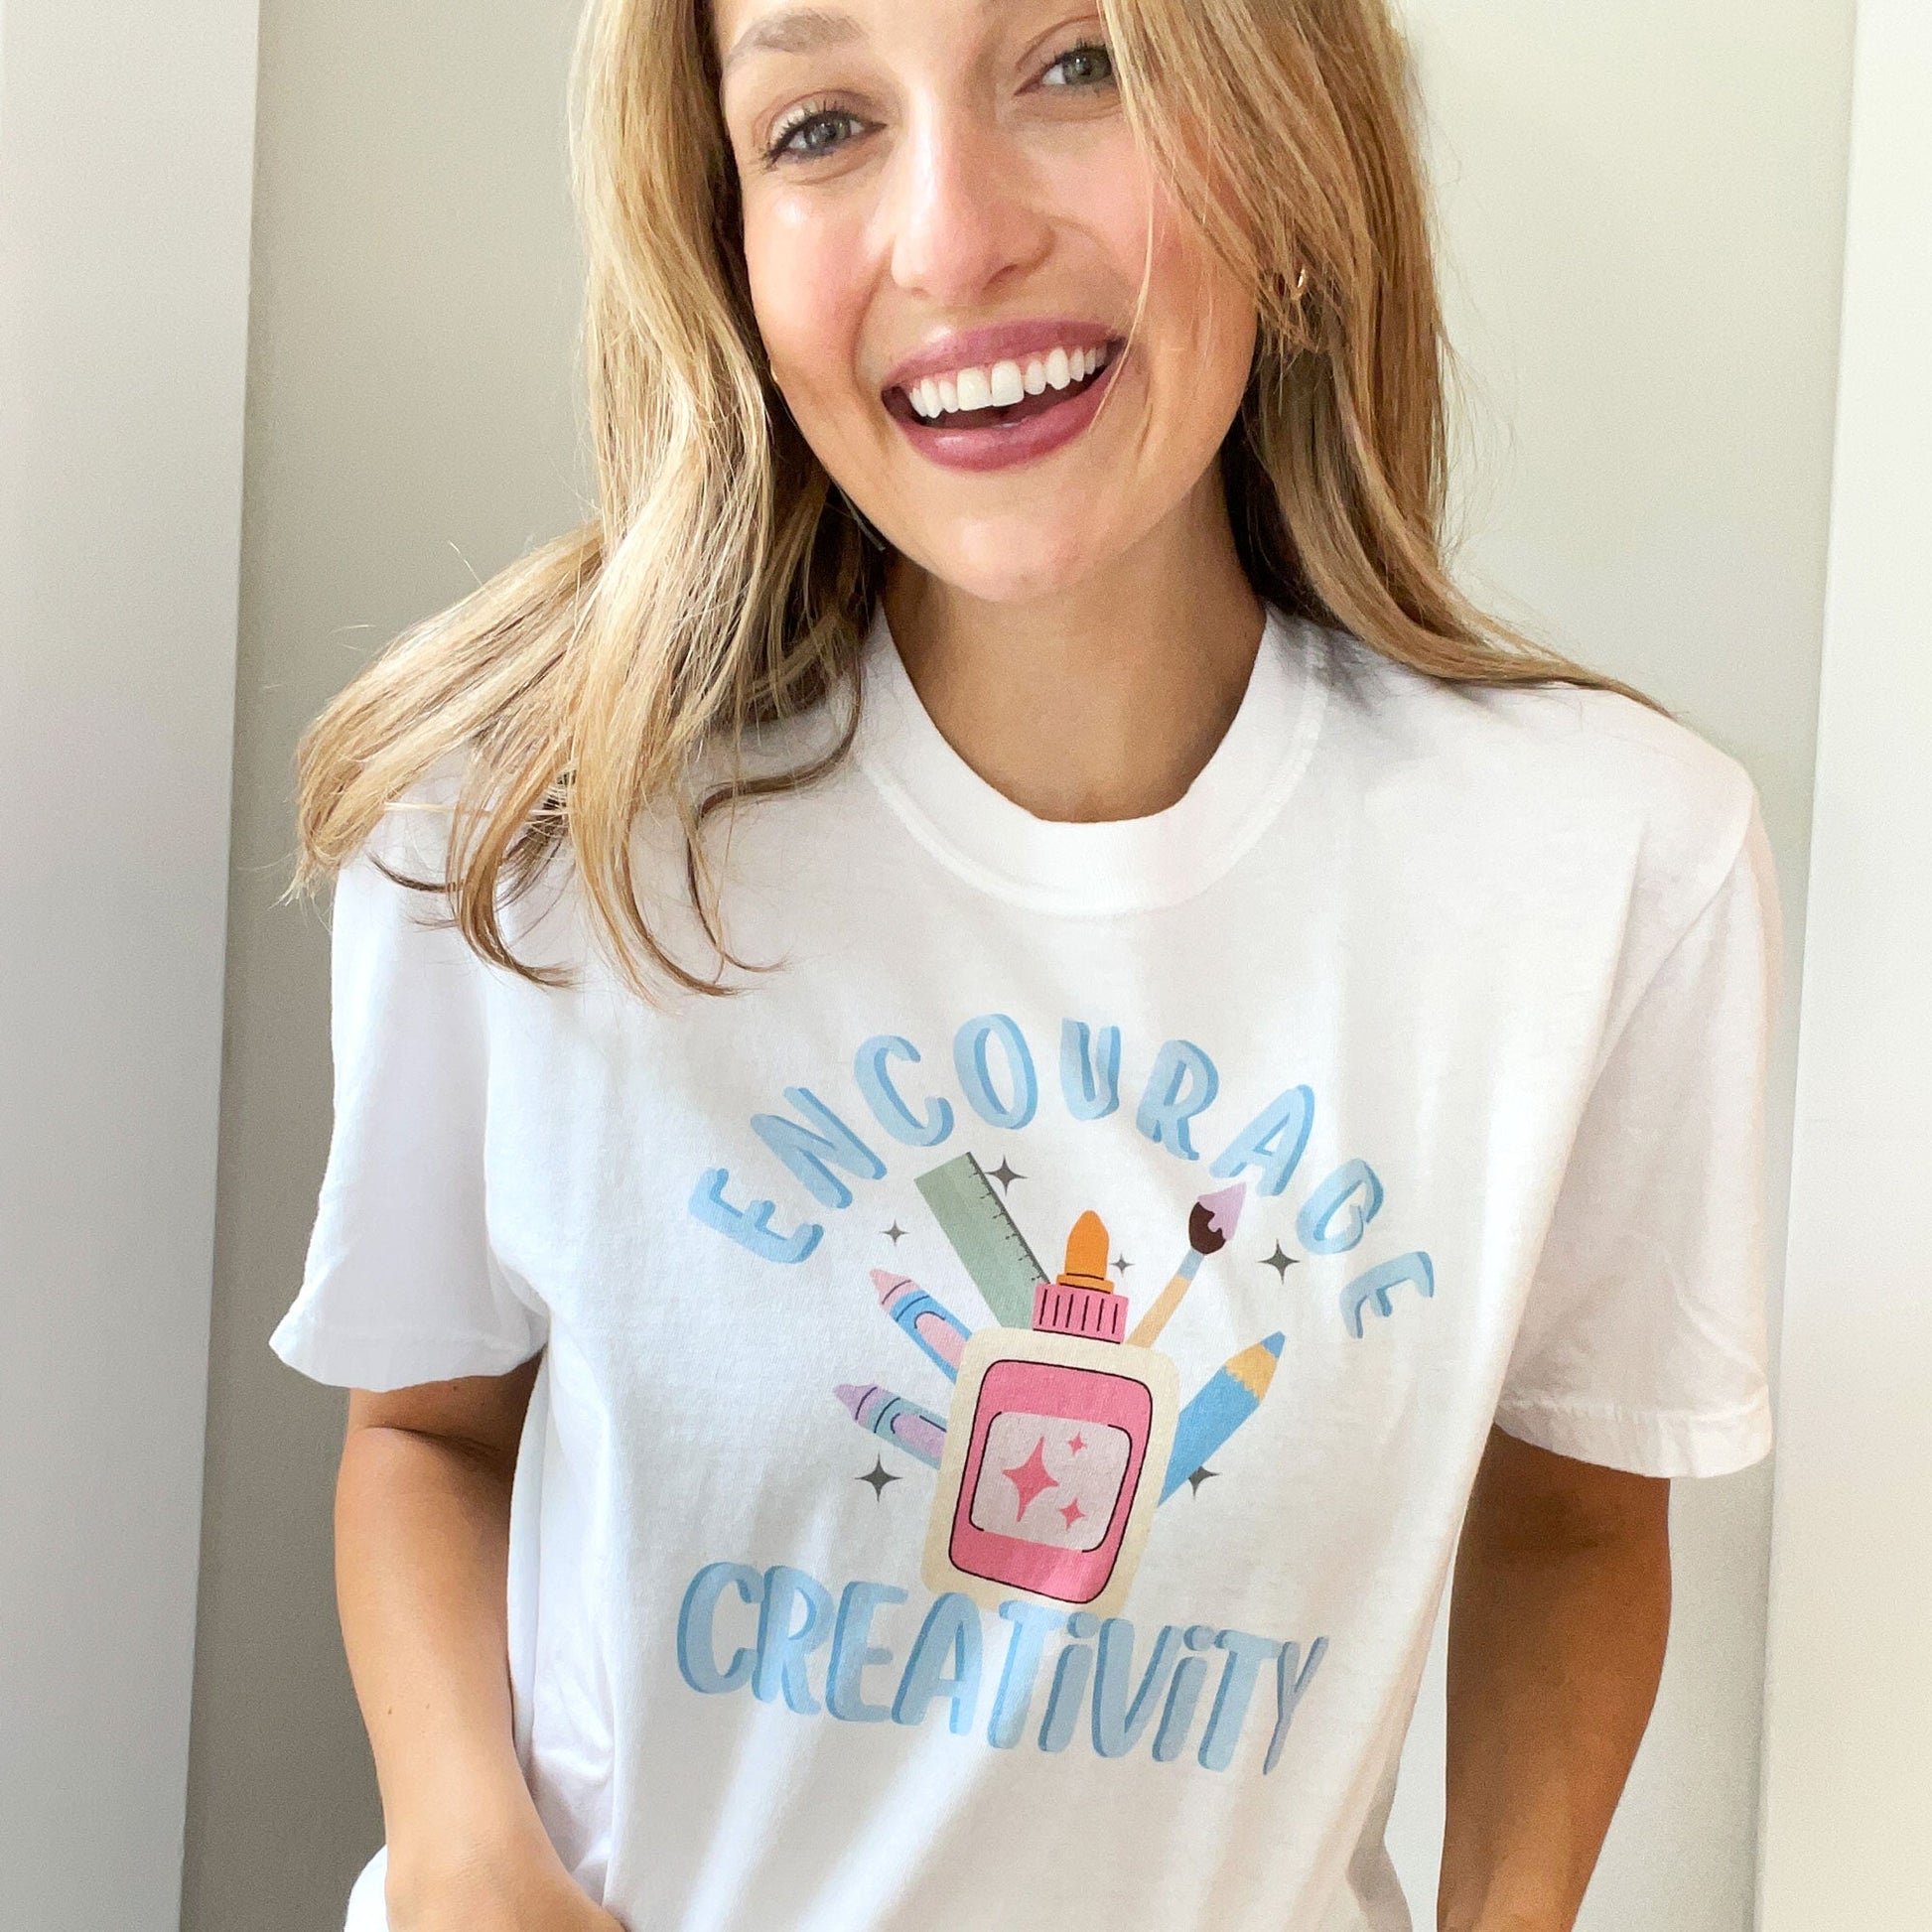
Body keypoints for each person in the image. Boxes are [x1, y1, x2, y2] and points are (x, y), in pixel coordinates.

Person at [272, 0, 1780, 1927]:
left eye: (1079, 65)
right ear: (723, 232)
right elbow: (425, 1430)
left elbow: (1573, 1516)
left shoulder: (1606, 864)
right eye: (819, 124)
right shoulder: (518, 829)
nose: (952, 239)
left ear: (1287, 129)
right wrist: (467, 1860)